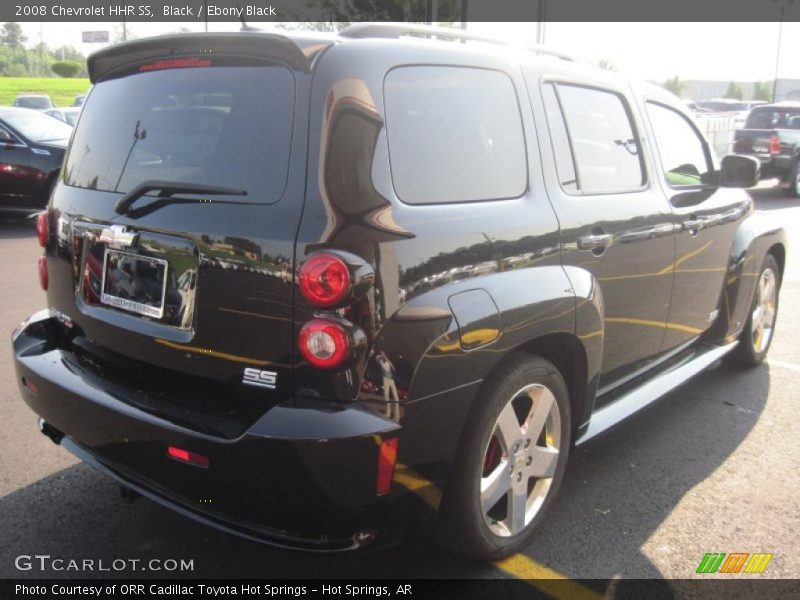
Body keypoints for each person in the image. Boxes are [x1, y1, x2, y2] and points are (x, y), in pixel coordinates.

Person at [376, 351, 400, 421]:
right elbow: (377, 360)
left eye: (383, 353)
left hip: (391, 379)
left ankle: (397, 417)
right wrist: (381, 356)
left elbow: (394, 369)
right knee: (386, 396)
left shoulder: (387, 361)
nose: (382, 354)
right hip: (385, 379)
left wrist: (386, 358)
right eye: (381, 353)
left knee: (396, 398)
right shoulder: (379, 358)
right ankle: (388, 413)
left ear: (385, 354)